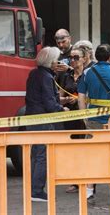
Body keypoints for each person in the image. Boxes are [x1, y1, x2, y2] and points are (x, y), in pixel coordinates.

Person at [77, 44, 110, 203]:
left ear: (96, 57)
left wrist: (84, 116)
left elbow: (81, 96)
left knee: (92, 155)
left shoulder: (88, 72)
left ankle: (88, 190)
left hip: (93, 121)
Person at [25, 46, 69, 202]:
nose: (58, 63)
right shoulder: (47, 77)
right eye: (56, 60)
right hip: (43, 120)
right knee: (42, 155)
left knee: (35, 155)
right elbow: (49, 103)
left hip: (31, 118)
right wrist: (62, 108)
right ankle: (37, 191)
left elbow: (38, 97)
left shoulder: (34, 74)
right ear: (51, 62)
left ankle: (32, 189)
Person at [59, 47, 87, 194]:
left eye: (76, 57)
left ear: (84, 58)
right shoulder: (66, 75)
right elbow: (59, 95)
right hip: (70, 116)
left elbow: (91, 96)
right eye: (71, 57)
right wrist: (64, 100)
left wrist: (79, 99)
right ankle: (74, 180)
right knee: (71, 148)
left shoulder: (88, 75)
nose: (73, 60)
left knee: (83, 148)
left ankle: (83, 180)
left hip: (84, 117)